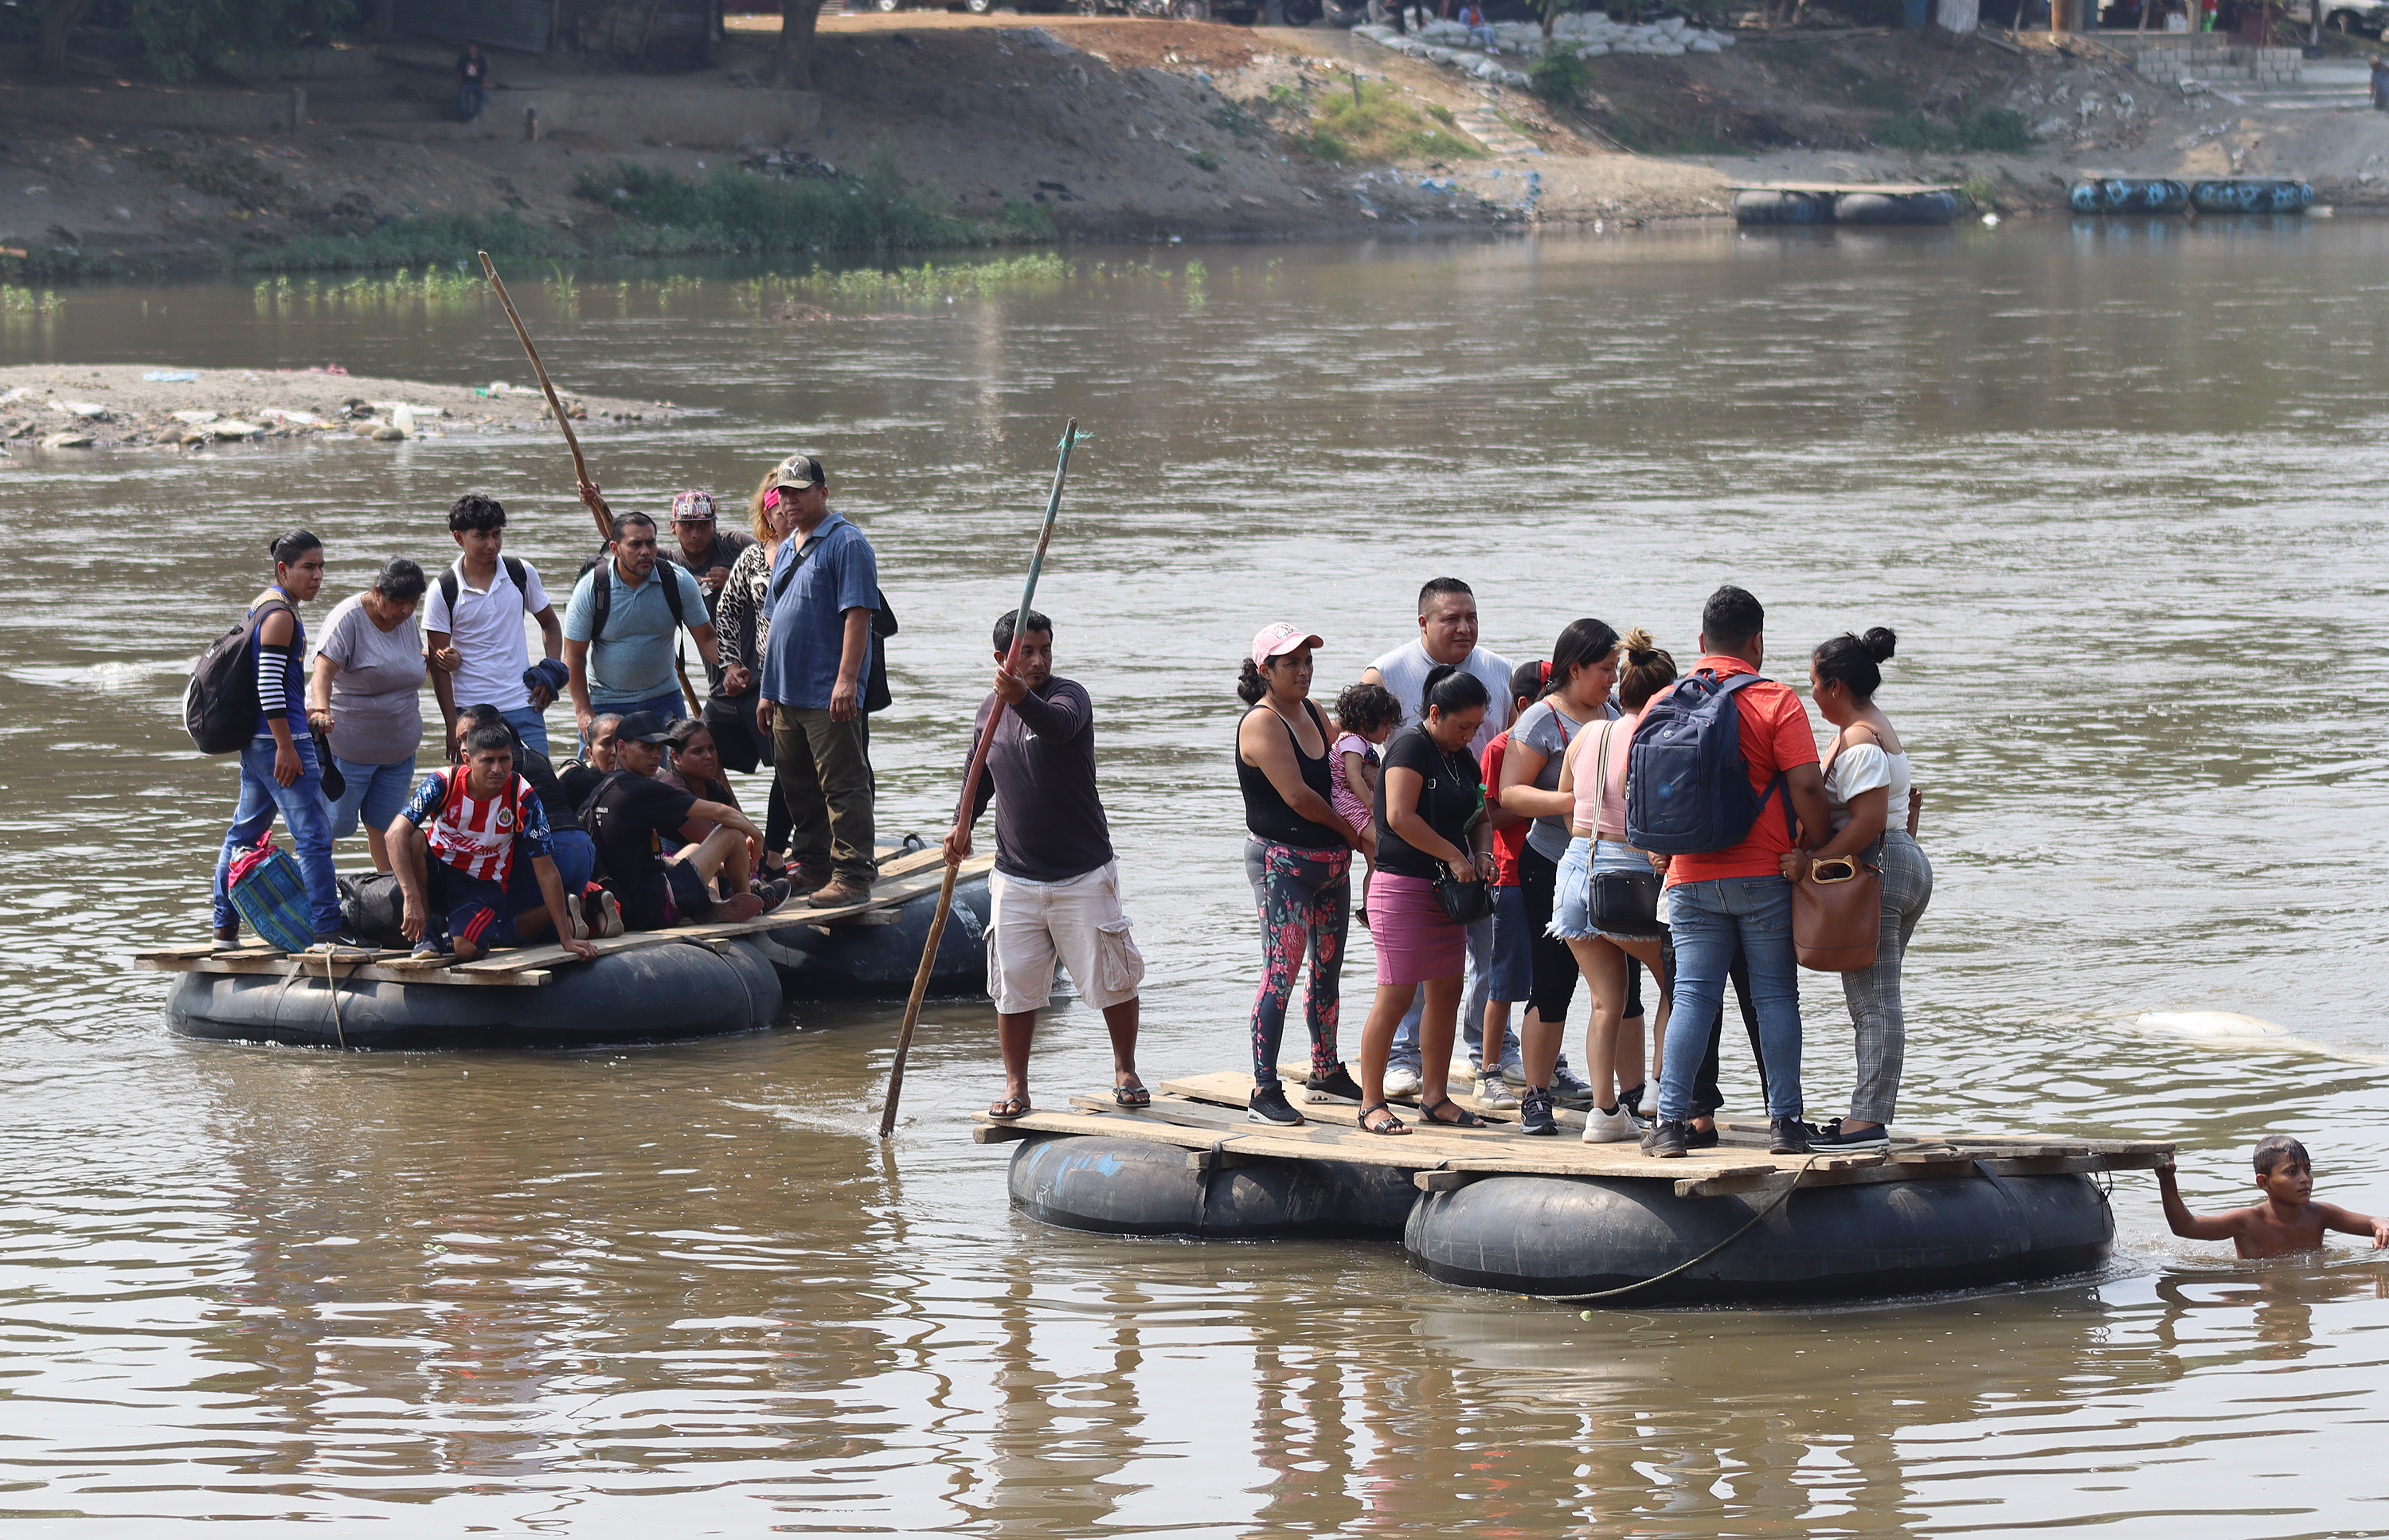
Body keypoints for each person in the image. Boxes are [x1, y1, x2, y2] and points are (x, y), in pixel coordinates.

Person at [1642, 586, 1833, 1159]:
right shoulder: (1777, 700)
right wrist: (1818, 847)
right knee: (1775, 997)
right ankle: (1786, 1125)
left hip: (1690, 876)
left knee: (1693, 998)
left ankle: (1671, 1124)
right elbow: (1805, 785)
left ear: (1702, 643)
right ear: (1757, 643)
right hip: (1765, 873)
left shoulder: (1663, 701)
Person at [944, 608, 1147, 1120]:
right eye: (1025, 652)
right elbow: (977, 775)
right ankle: (1017, 1086)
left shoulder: (1067, 696)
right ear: (1001, 659)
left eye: (1045, 650)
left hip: (1082, 871)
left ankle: (1125, 1069)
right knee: (1013, 987)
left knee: (1112, 978)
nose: (1037, 660)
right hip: (1016, 875)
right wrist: (959, 823)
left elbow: (1057, 728)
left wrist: (1022, 698)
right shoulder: (990, 709)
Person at [1362, 578, 1516, 1096]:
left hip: (1462, 868)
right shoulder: (1394, 692)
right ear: (1424, 622)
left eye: (1471, 617)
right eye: (1452, 618)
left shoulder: (1485, 699)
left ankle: (1468, 1071)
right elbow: (1368, 776)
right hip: (1407, 872)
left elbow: (1481, 802)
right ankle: (1383, 1087)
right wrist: (1368, 829)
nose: (1465, 628)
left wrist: (1479, 851)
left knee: (1466, 975)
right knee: (1400, 990)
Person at [1788, 627, 1931, 1151]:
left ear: (1837, 685)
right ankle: (1865, 1115)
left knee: (1874, 1004)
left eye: (1815, 684)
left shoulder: (1859, 739)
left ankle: (1867, 1121)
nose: (1811, 695)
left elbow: (1868, 820)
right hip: (1900, 865)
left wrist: (1812, 861)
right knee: (1877, 998)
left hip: (1880, 866)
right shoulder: (1872, 726)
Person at [1355, 664, 1498, 1136]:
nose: (1469, 735)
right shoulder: (1410, 746)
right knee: (1395, 995)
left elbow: (1480, 813)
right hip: (1403, 887)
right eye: (1463, 726)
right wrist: (1453, 854)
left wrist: (1479, 853)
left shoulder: (1462, 756)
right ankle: (1371, 1102)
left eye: (1476, 727)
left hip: (1448, 893)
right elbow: (1399, 815)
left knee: (1446, 992)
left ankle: (1434, 1097)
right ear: (1435, 713)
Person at [1236, 623, 1367, 1126]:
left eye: (1307, 660)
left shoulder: (1314, 713)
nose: (1303, 670)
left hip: (1329, 867)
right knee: (1281, 974)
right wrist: (1356, 834)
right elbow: (1299, 797)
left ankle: (1325, 1069)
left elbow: (1340, 771)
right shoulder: (1262, 723)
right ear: (1265, 670)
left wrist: (1369, 813)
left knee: (1328, 969)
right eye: (1290, 662)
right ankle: (1264, 1090)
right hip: (1283, 866)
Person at [1498, 621, 1624, 1133]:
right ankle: (1536, 1094)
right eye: (1604, 671)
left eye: (1616, 672)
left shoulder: (1614, 716)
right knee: (1552, 984)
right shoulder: (1541, 721)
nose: (1612, 682)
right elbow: (1510, 795)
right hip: (1549, 861)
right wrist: (1575, 802)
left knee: (1619, 986)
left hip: (1607, 865)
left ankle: (1617, 1097)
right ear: (1575, 669)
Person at [1552, 627, 1677, 1143]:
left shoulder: (1588, 734)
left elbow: (1566, 803)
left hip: (1576, 870)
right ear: (1667, 693)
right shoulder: (1658, 737)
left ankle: (1603, 1114)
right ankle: (1657, 1093)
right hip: (1629, 878)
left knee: (1606, 1001)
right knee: (1677, 987)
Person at [756, 453, 880, 909]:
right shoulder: (788, 545)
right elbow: (773, 626)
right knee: (796, 784)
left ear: (822, 494)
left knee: (842, 784)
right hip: (786, 690)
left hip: (827, 690)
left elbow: (858, 615)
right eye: (783, 493)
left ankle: (851, 875)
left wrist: (847, 681)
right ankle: (812, 864)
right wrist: (768, 691)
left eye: (799, 492)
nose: (789, 502)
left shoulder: (846, 543)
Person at [209, 531, 342, 949]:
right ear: (283, 569)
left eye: (322, 566)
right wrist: (288, 744)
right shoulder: (280, 615)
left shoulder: (262, 605)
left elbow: (275, 684)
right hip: (278, 741)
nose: (318, 575)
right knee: (314, 835)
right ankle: (327, 931)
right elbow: (269, 685)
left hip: (260, 739)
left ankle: (223, 927)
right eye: (308, 567)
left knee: (244, 833)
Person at [388, 719, 599, 962]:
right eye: (488, 760)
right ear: (468, 760)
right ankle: (427, 931)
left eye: (504, 759)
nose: (497, 769)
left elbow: (546, 870)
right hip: (438, 871)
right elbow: (394, 834)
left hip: (481, 884)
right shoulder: (442, 783)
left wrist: (566, 939)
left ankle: (454, 935)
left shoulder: (522, 795)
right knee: (413, 837)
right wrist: (410, 897)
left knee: (468, 950)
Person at [582, 711, 782, 931]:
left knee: (693, 849)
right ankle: (746, 900)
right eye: (647, 747)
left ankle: (716, 903)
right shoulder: (641, 789)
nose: (655, 756)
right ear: (622, 748)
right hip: (656, 908)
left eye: (659, 748)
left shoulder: (602, 789)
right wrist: (758, 836)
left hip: (626, 904)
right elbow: (722, 814)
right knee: (732, 835)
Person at [308, 557, 428, 874]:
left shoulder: (405, 620)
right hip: (347, 754)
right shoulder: (348, 619)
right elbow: (322, 670)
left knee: (388, 829)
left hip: (399, 755)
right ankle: (314, 900)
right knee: (326, 829)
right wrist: (322, 709)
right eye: (399, 603)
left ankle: (390, 896)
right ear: (378, 592)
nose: (405, 611)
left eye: (413, 604)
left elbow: (404, 663)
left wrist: (435, 657)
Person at [424, 493, 563, 760]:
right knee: (481, 796)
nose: (492, 544)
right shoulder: (443, 590)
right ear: (459, 538)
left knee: (540, 790)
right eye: (481, 536)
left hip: (525, 707)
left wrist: (552, 670)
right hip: (471, 713)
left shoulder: (520, 573)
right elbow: (438, 664)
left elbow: (551, 625)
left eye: (497, 534)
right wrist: (451, 723)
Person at [563, 510, 721, 741]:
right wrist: (583, 711)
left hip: (664, 700)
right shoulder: (592, 589)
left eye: (651, 543)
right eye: (635, 545)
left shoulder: (678, 582)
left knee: (672, 776)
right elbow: (573, 657)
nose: (645, 551)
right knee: (602, 776)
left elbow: (707, 640)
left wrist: (732, 666)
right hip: (607, 702)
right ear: (615, 549)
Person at [713, 471, 801, 872]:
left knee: (803, 768)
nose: (785, 513)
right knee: (783, 766)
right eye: (776, 508)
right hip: (768, 679)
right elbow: (727, 611)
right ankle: (766, 849)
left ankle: (797, 850)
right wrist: (730, 663)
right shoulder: (751, 558)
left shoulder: (818, 549)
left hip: (810, 676)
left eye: (790, 503)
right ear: (768, 515)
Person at [2157, 1136, 2388, 1258]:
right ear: (2263, 1182)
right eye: (2292, 1172)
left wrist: (2382, 1225)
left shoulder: (2320, 1214)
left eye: (2307, 1170)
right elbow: (2185, 1227)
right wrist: (2167, 1180)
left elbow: (2373, 1222)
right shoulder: (2247, 1221)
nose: (2305, 1179)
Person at [1331, 680, 1401, 924]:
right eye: (1385, 725)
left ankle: (1369, 911)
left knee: (1375, 863)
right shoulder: (1353, 742)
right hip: (1353, 805)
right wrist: (1372, 806)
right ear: (1365, 724)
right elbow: (1353, 775)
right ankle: (1374, 910)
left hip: (1357, 803)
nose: (1388, 732)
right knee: (1388, 844)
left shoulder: (1357, 742)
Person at [556, 711, 622, 815]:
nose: (615, 751)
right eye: (606, 744)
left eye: (620, 744)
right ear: (590, 752)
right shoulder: (570, 777)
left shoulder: (648, 775)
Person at [456, 42, 487, 122]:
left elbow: (486, 73)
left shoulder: (481, 60)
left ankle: (473, 114)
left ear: (476, 49)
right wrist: (461, 84)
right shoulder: (463, 59)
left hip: (478, 85)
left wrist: (483, 84)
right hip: (466, 84)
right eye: (469, 47)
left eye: (472, 47)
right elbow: (458, 73)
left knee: (484, 95)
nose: (470, 49)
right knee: (461, 95)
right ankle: (464, 115)